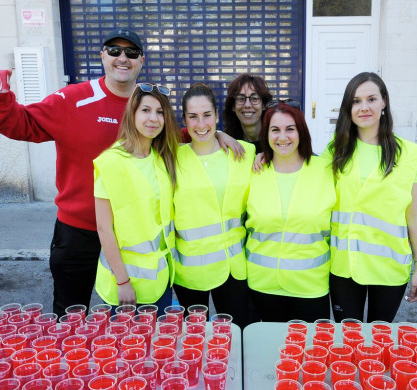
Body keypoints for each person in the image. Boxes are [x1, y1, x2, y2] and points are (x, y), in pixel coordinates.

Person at [0, 28, 240, 318]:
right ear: (102, 55)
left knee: (133, 321)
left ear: (141, 61)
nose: (122, 58)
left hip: (131, 241)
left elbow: (179, 137)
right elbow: (19, 124)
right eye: (114, 50)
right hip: (80, 230)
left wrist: (215, 134)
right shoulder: (73, 99)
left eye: (130, 52)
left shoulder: (149, 108)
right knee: (70, 315)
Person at [323, 72, 417, 323]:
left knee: (380, 340)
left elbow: (415, 214)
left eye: (371, 99)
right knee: (348, 342)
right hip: (344, 267)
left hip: (389, 268)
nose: (364, 107)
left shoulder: (411, 154)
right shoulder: (335, 150)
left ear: (384, 102)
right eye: (356, 101)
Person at [173, 83, 255, 329]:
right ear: (184, 120)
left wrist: (221, 135)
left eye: (207, 115)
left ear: (217, 116)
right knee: (195, 339)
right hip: (190, 271)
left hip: (234, 268)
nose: (201, 124)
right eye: (193, 117)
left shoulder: (245, 153)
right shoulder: (171, 157)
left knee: (238, 335)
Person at [245, 99, 336, 322]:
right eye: (275, 130)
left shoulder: (326, 169)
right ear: (266, 134)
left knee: (308, 355)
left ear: (301, 132)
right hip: (262, 286)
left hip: (310, 287)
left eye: (290, 129)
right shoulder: (252, 171)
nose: (282, 137)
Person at [93, 83, 178, 312]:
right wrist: (123, 282)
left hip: (160, 282)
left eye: (160, 112)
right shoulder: (111, 162)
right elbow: (104, 228)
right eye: (146, 110)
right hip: (123, 286)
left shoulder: (162, 157)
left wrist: (220, 134)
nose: (154, 118)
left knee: (160, 346)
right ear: (132, 113)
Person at [222, 73, 273, 152]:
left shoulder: (275, 141)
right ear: (233, 106)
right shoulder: (228, 144)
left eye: (254, 98)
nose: (247, 105)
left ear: (263, 105)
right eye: (241, 99)